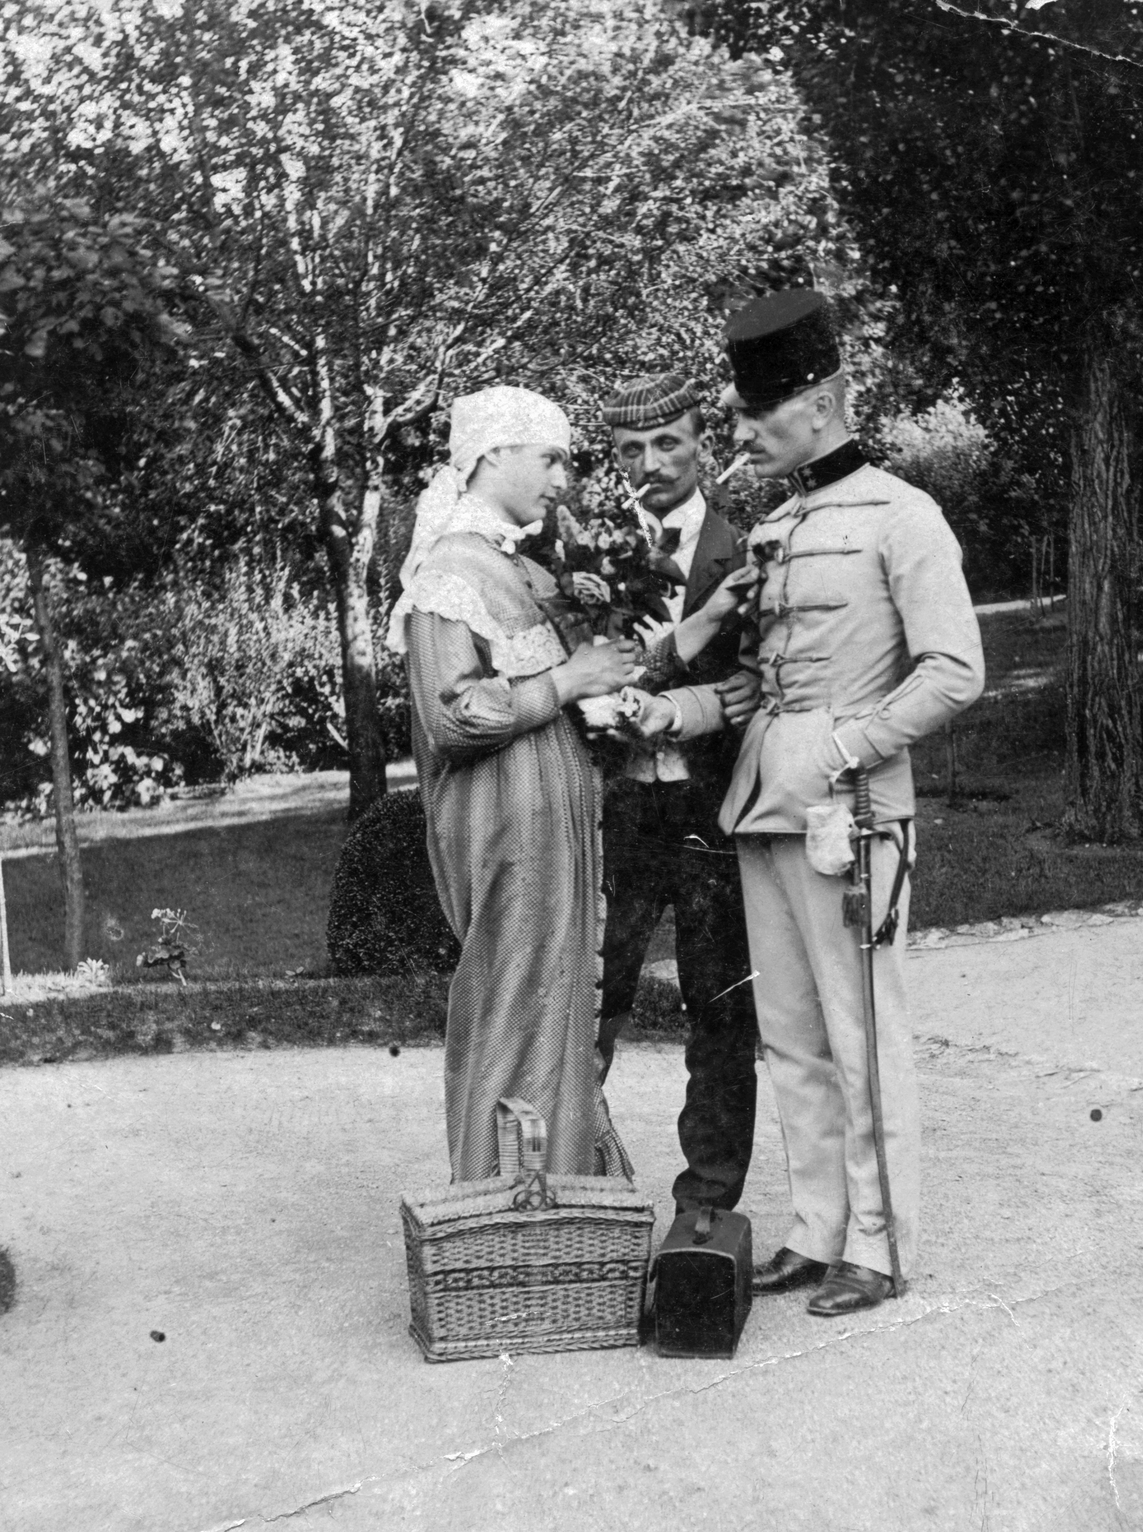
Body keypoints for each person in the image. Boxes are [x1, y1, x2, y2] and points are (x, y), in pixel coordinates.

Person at [658, 290, 985, 1313]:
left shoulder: (902, 515)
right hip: (764, 803)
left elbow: (951, 671)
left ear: (825, 400)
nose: (744, 431)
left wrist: (849, 741)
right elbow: (761, 678)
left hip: (852, 809)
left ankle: (879, 1246)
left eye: (762, 411)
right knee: (790, 1034)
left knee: (861, 1034)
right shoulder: (779, 525)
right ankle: (812, 1228)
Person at [387, 384, 639, 1181]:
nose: (563, 477)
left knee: (550, 1005)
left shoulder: (509, 565)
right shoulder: (450, 571)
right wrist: (568, 683)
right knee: (514, 1003)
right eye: (550, 457)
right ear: (492, 453)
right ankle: (503, 1212)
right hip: (503, 831)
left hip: (542, 830)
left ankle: (558, 1208)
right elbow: (453, 719)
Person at [594, 372, 763, 1217]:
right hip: (612, 810)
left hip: (712, 810)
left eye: (669, 443)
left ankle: (707, 1208)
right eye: (632, 450)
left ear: (703, 444)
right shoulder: (581, 555)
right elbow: (593, 689)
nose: (652, 462)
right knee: (593, 996)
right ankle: (576, 1193)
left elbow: (763, 682)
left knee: (721, 1006)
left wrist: (736, 700)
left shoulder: (751, 548)